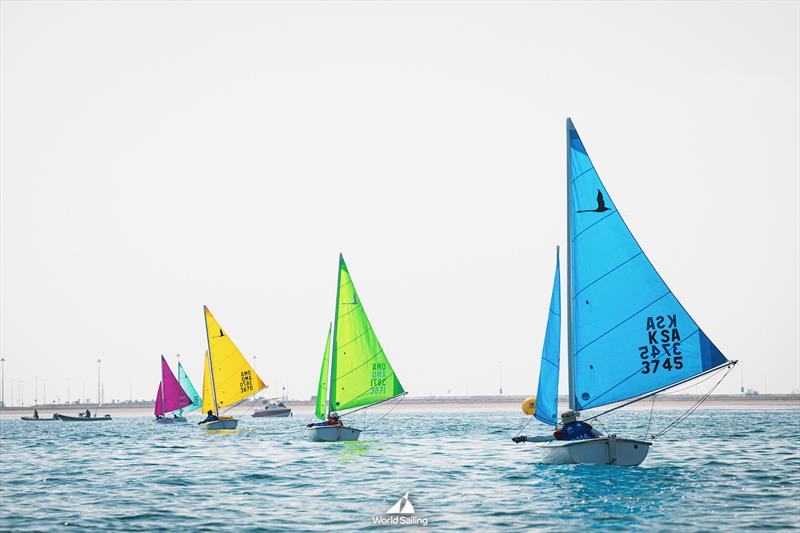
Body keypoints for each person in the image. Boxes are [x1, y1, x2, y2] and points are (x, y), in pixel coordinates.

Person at [511, 410, 602, 443]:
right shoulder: (585, 425)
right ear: (574, 418)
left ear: (564, 421)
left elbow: (544, 438)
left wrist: (525, 438)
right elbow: (600, 435)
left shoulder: (561, 432)